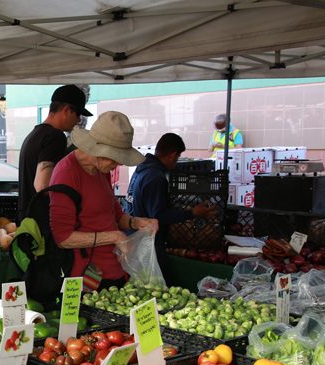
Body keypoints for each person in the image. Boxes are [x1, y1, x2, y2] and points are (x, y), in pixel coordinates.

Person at [49, 112, 159, 292]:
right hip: (84, 278)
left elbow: (114, 213)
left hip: (114, 271)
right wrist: (113, 237)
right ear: (98, 150)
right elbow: (62, 238)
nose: (119, 164)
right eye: (116, 157)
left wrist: (136, 222)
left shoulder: (103, 169)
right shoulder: (66, 173)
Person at [126, 133, 217, 285]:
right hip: (148, 242)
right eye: (178, 156)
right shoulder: (156, 176)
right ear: (173, 155)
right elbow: (159, 215)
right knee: (156, 289)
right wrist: (192, 213)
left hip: (136, 238)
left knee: (140, 288)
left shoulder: (141, 170)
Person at [17, 85, 90, 221]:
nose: (79, 120)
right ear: (67, 110)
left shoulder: (34, 135)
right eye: (78, 113)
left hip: (28, 221)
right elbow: (43, 186)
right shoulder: (55, 136)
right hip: (44, 223)